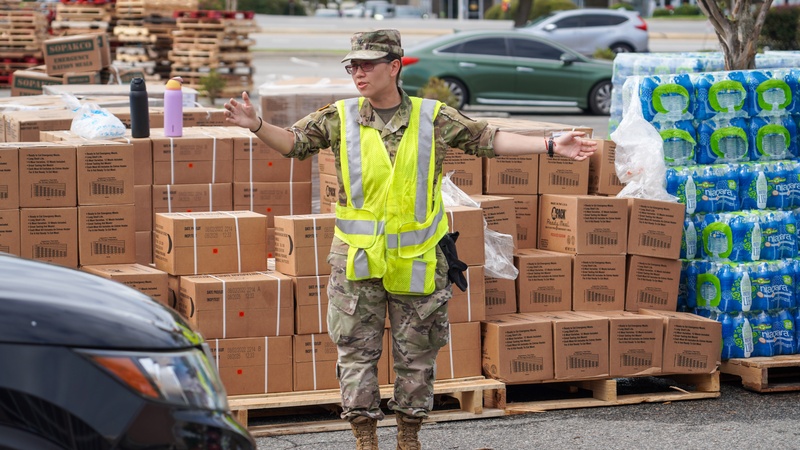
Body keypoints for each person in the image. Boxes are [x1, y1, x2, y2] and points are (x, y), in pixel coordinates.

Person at [224, 29, 597, 450]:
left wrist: (549, 144)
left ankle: (408, 438)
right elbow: (294, 144)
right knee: (354, 356)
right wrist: (255, 124)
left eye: (367, 64)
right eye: (353, 65)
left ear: (394, 66)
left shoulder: (431, 116)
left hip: (418, 261)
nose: (357, 72)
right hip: (358, 262)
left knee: (417, 359)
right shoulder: (341, 116)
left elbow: (486, 139)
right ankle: (365, 439)